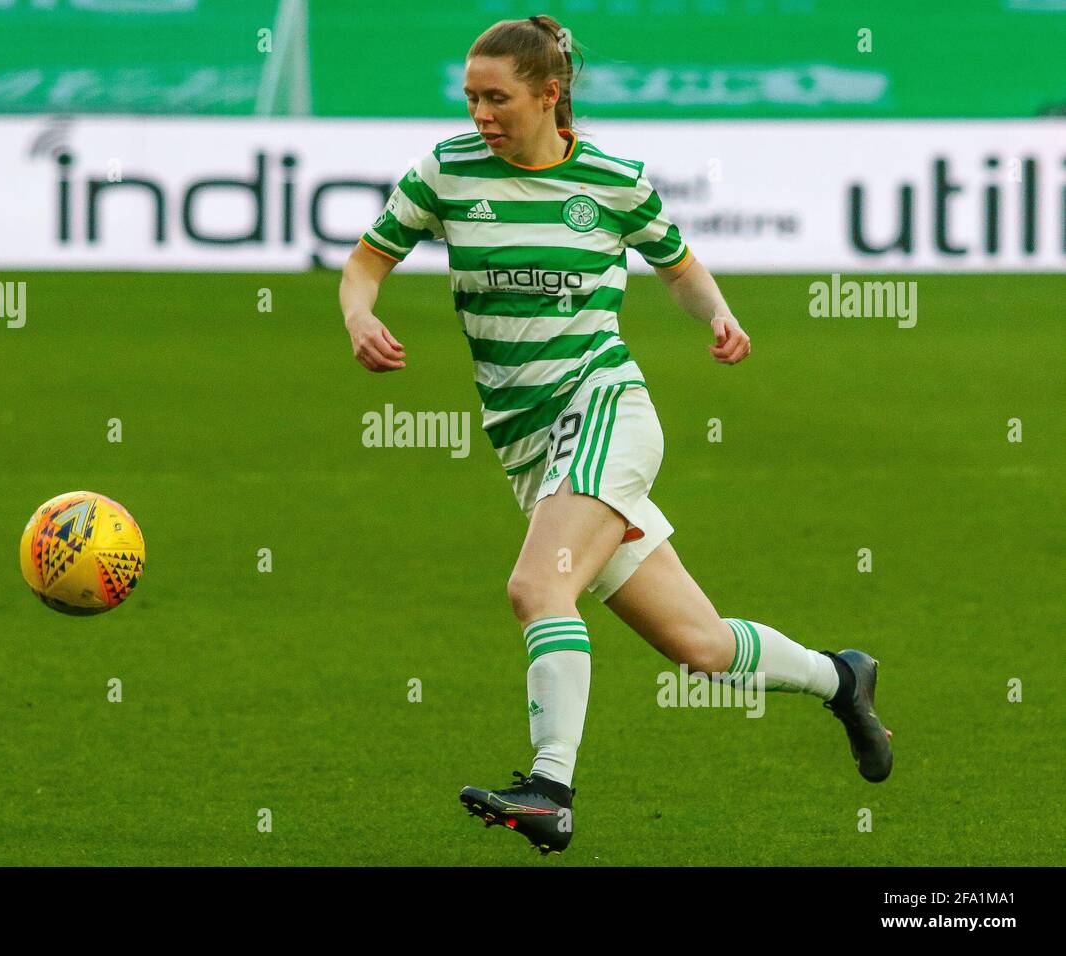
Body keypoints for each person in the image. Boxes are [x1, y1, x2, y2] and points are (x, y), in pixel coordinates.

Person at [337, 14, 892, 855]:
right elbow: (367, 260)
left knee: (537, 587)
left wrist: (719, 315)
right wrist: (358, 317)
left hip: (604, 412)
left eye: (498, 98)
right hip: (526, 444)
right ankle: (840, 677)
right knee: (700, 648)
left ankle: (549, 787)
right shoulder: (446, 172)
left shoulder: (612, 178)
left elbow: (679, 264)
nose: (480, 114)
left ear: (549, 95)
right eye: (471, 97)